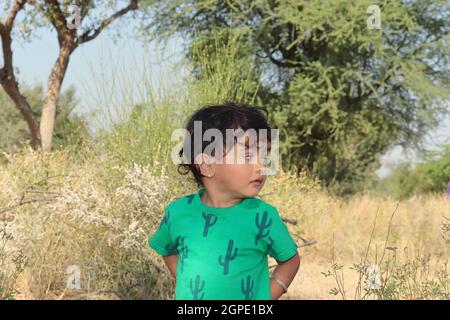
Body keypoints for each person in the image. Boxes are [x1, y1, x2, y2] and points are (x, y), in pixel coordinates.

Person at [148, 102, 300, 300]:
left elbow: (290, 260)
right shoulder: (178, 213)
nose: (261, 164)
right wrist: (188, 283)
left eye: (264, 155)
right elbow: (166, 248)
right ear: (207, 165)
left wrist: (266, 296)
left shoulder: (263, 217)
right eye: (247, 154)